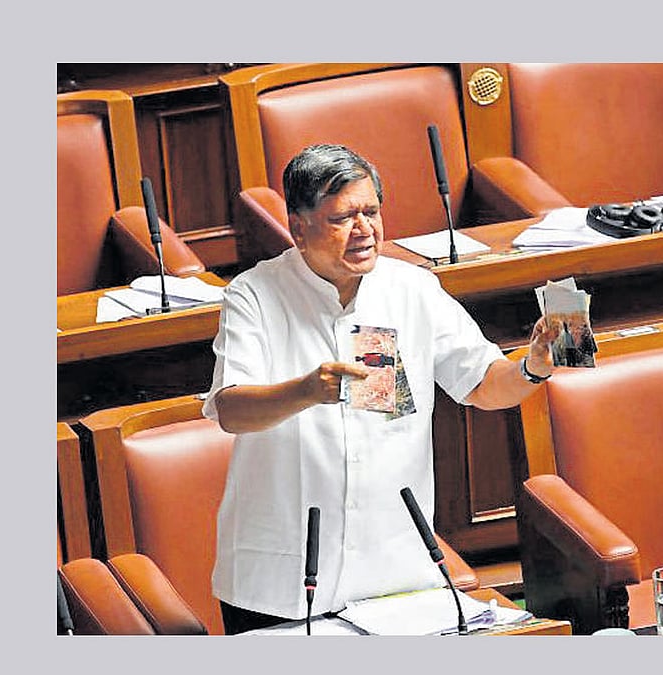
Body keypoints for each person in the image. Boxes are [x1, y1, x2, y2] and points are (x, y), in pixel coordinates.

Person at [202, 144, 559, 634]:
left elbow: (482, 384)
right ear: (298, 225)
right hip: (283, 574)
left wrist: (531, 368)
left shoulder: (411, 289)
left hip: (395, 570)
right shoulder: (253, 294)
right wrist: (307, 390)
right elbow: (231, 412)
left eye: (371, 211)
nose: (364, 228)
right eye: (343, 217)